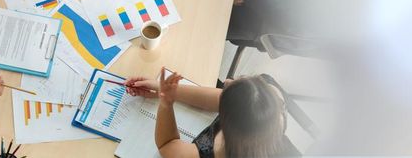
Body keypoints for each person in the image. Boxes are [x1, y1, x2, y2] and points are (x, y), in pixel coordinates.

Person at [124, 71, 299, 157]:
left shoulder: (216, 152)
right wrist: (166, 89)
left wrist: (165, 103)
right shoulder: (272, 103)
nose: (227, 80)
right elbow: (220, 100)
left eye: (231, 85)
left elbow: (167, 146)